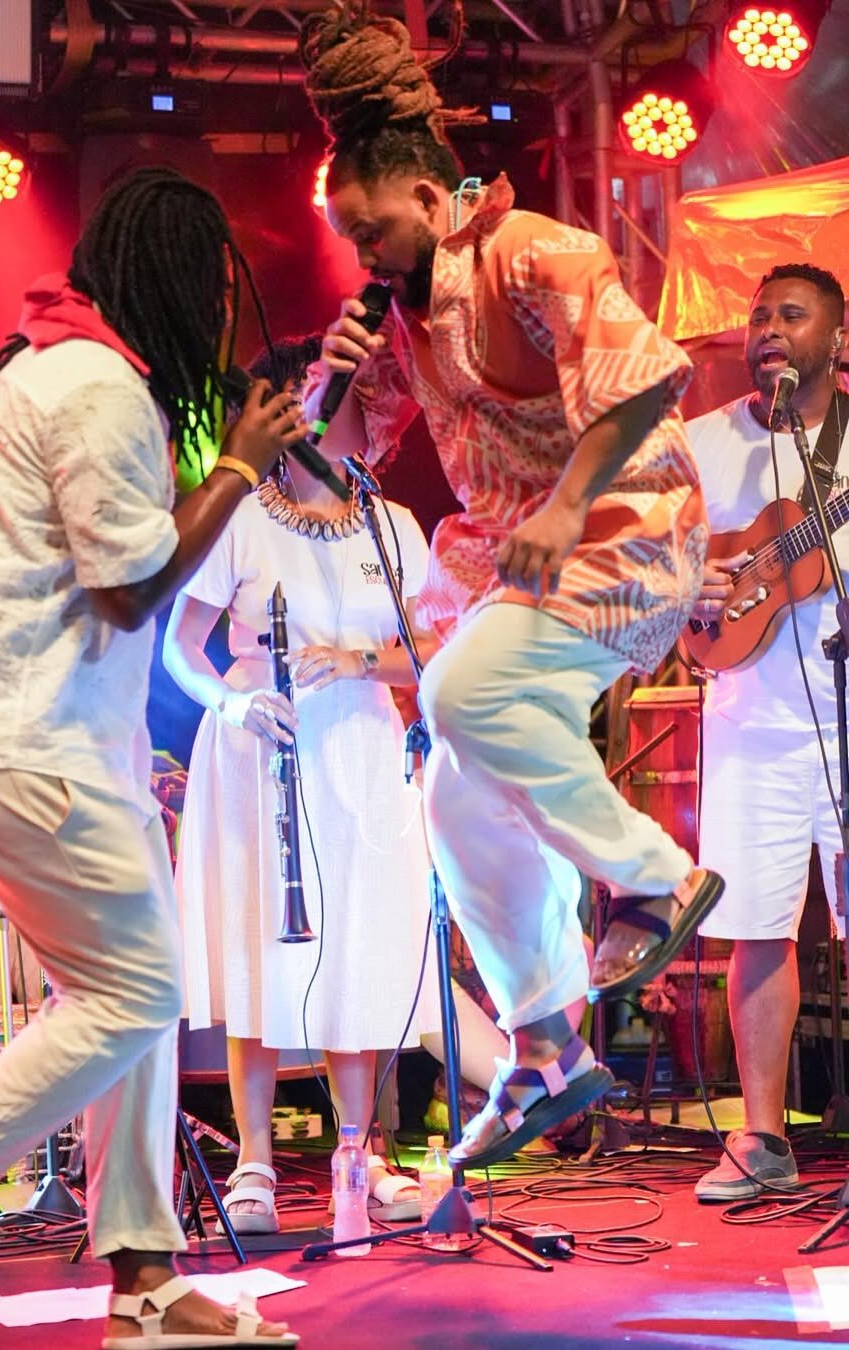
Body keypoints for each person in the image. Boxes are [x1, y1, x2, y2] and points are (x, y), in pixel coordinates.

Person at [0, 168, 302, 1347]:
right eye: (213, 291)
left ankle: (144, 1283)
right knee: (138, 989)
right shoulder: (94, 388)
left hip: (18, 731)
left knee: (129, 986)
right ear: (173, 283)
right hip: (4, 735)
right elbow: (132, 587)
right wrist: (237, 467)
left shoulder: (64, 366)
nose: (219, 318)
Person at [296, 1, 723, 1170]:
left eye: (371, 228)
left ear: (427, 198)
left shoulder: (534, 249)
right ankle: (546, 1050)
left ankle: (655, 878)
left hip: (628, 528)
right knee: (452, 792)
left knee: (459, 692)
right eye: (348, 238)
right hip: (526, 561)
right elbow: (336, 461)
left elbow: (646, 381)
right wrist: (331, 380)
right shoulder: (400, 319)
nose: (362, 253)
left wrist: (568, 504)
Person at [165, 334, 439, 1233]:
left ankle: (359, 1154)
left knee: (357, 947)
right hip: (260, 748)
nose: (330, 410)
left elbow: (435, 651)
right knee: (263, 952)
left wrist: (360, 661)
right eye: (311, 395)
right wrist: (233, 703)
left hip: (361, 748)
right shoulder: (240, 517)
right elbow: (180, 649)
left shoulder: (394, 527)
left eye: (342, 393)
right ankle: (255, 1163)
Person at [685, 262, 847, 1200]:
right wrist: (686, 587)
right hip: (751, 722)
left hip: (846, 708)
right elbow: (642, 563)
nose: (770, 330)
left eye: (792, 315)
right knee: (755, 926)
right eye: (758, 318)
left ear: (838, 338)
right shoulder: (702, 443)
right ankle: (761, 1137)